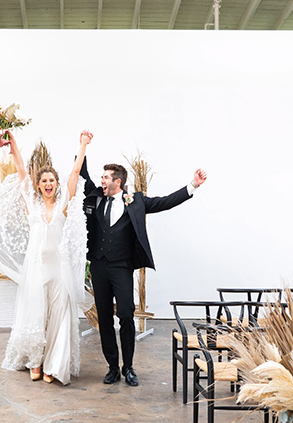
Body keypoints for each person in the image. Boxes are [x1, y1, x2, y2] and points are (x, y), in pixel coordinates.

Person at [80, 157, 207, 386]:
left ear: (117, 182)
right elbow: (82, 175)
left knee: (126, 315)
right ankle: (112, 368)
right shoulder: (95, 196)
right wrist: (83, 146)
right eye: (101, 177)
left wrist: (193, 185)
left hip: (122, 267)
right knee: (105, 318)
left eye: (106, 177)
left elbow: (165, 202)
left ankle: (128, 367)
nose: (101, 180)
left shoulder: (135, 201)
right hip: (99, 266)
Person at [0, 129, 93, 384]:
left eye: (52, 180)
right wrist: (14, 144)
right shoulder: (32, 202)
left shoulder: (65, 202)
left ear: (57, 184)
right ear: (39, 185)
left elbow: (75, 173)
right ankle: (35, 361)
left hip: (59, 269)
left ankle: (54, 363)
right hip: (36, 268)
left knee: (59, 315)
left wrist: (83, 145)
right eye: (44, 181)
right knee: (36, 313)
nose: (49, 184)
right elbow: (21, 170)